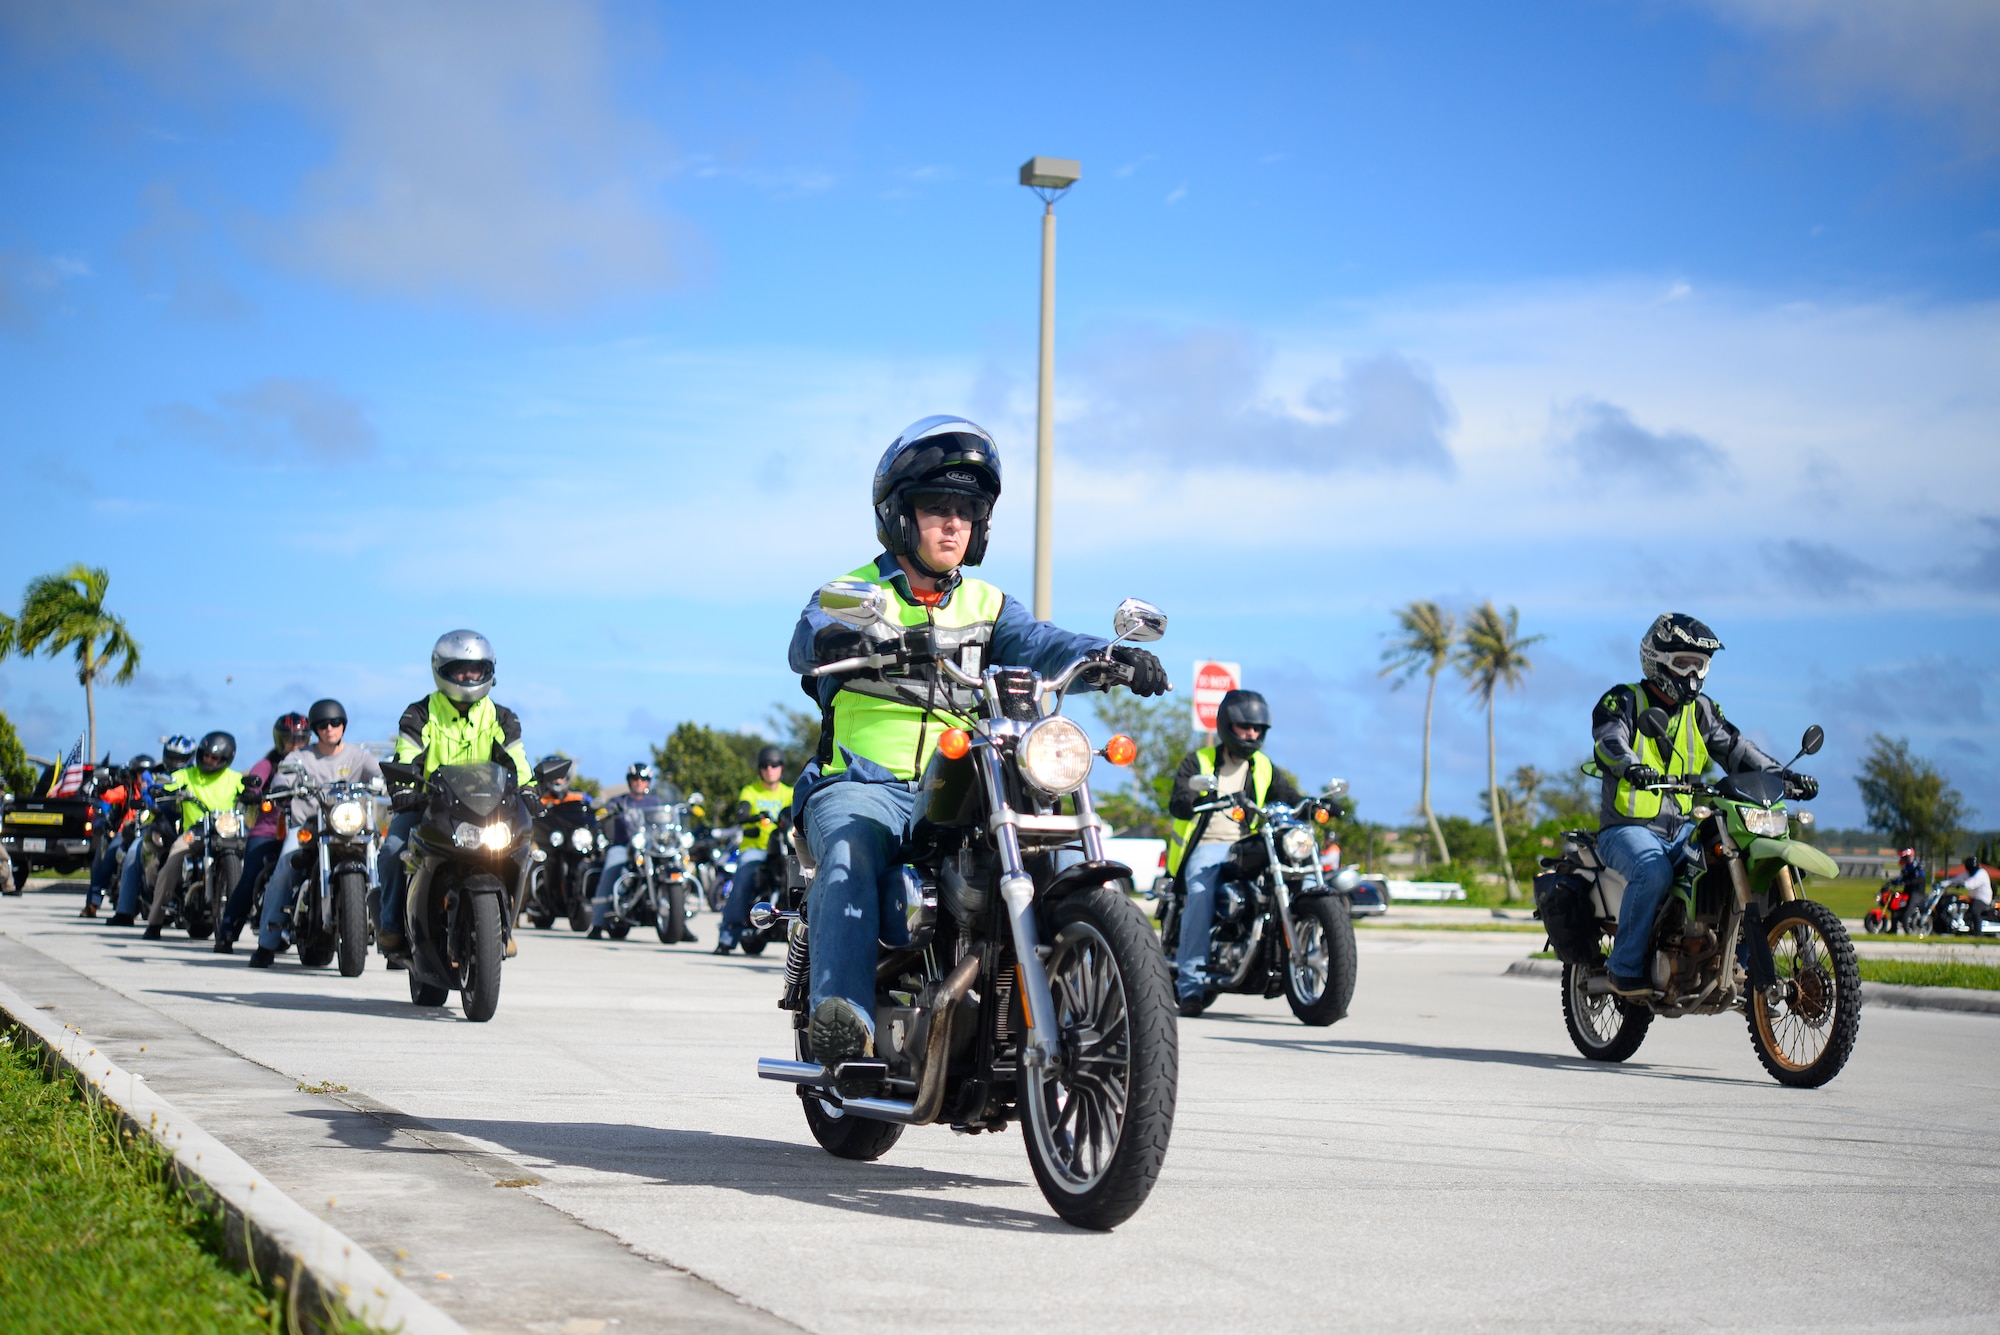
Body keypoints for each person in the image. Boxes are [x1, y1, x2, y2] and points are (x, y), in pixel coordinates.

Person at [787, 414, 1168, 1080]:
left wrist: (1107, 654)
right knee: (850, 848)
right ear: (901, 517)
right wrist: (840, 641)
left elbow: (1043, 641)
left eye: (966, 511)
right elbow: (807, 637)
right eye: (938, 508)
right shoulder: (855, 592)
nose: (953, 523)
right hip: (865, 783)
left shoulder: (990, 606)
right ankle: (840, 1009)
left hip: (962, 773)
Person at [1590, 614, 1815, 996]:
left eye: (1700, 665)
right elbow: (1608, 743)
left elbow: (1739, 750)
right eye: (1683, 663)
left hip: (1685, 827)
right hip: (1629, 828)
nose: (1692, 674)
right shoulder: (1623, 700)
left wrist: (1783, 776)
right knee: (1653, 871)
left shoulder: (1703, 710)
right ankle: (1625, 968)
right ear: (1657, 660)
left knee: (1744, 863)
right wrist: (1632, 767)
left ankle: (1743, 969)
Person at [377, 631, 530, 959]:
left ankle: (505, 925)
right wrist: (404, 788)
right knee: (392, 850)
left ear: (488, 671)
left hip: (487, 809)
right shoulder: (420, 713)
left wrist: (530, 790)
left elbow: (517, 760)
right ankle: (390, 925)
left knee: (523, 849)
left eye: (475, 670)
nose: (468, 677)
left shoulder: (501, 717)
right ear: (441, 670)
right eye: (460, 669)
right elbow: (406, 754)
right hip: (430, 803)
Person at [1164, 689, 1303, 1015]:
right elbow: (1179, 801)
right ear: (1228, 726)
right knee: (1200, 892)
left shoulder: (1264, 766)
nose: (1252, 733)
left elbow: (1290, 798)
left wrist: (1315, 806)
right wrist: (1195, 800)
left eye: (1257, 728)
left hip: (1246, 848)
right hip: (1208, 846)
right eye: (1245, 727)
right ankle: (1191, 985)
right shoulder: (1198, 761)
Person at [249, 699, 383, 968]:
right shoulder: (301, 757)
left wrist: (388, 783)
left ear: (343, 725)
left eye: (335, 723)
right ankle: (267, 943)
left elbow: (379, 775)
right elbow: (283, 777)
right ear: (315, 729)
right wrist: (280, 787)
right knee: (285, 868)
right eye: (323, 725)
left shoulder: (358, 755)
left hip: (351, 826)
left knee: (386, 865)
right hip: (307, 826)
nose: (330, 728)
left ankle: (392, 940)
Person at [216, 713, 310, 950]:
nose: (295, 745)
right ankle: (228, 930)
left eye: (300, 740)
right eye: (290, 740)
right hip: (269, 830)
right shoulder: (269, 763)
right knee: (250, 876)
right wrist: (251, 789)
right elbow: (255, 777)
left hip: (305, 829)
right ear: (280, 740)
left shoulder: (313, 761)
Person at [143, 731, 246, 939]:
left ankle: (248, 912)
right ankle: (154, 922)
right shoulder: (186, 775)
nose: (209, 760)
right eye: (206, 755)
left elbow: (248, 790)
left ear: (226, 760)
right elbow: (169, 783)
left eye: (214, 758)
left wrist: (253, 793)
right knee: (173, 859)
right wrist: (161, 790)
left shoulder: (234, 778)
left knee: (252, 859)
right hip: (195, 831)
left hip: (227, 831)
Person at [714, 745, 794, 954]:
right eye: (765, 765)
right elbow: (742, 812)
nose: (770, 769)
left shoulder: (790, 792)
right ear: (759, 769)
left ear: (781, 767)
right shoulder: (750, 791)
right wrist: (752, 817)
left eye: (774, 765)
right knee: (743, 879)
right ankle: (727, 937)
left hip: (785, 849)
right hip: (757, 850)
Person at [110, 737, 193, 925]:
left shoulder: (195, 774)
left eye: (180, 757)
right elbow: (147, 794)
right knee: (133, 852)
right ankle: (124, 911)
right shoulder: (153, 774)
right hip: (157, 824)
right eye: (171, 756)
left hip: (187, 827)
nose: (175, 760)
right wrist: (152, 804)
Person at [589, 763, 674, 939]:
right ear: (629, 781)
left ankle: (678, 923)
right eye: (635, 779)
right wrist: (607, 811)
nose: (638, 782)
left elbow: (668, 818)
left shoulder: (656, 802)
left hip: (651, 847)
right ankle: (597, 924)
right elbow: (602, 813)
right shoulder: (619, 801)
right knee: (611, 867)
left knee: (674, 864)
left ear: (648, 782)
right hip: (625, 846)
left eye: (643, 779)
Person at [1941, 855, 1994, 930]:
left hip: (1983, 899)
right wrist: (1943, 883)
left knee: (1975, 910)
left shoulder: (1981, 873)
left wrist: (1963, 884)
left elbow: (1973, 883)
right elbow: (1957, 879)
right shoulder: (1968, 873)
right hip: (1972, 897)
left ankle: (1978, 933)